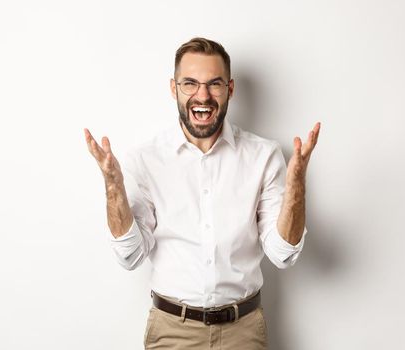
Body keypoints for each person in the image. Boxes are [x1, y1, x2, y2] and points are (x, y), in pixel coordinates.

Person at [83, 37, 320, 349]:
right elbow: (130, 256)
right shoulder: (146, 159)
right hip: (172, 332)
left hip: (244, 332)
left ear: (230, 89)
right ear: (174, 88)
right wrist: (113, 189)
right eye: (190, 83)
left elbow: (283, 255)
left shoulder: (263, 155)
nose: (202, 95)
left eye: (214, 84)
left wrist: (296, 191)